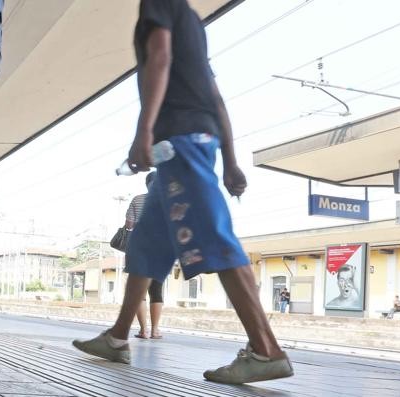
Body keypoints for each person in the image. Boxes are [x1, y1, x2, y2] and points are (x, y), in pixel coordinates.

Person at [73, 0, 293, 384]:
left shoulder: (159, 3)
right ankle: (118, 337)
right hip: (193, 142)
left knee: (216, 238)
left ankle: (266, 350)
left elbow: (159, 55)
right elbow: (215, 96)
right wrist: (230, 160)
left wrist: (143, 131)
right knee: (146, 245)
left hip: (180, 143)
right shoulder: (191, 19)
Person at [129, 172, 166, 340]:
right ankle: (156, 330)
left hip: (140, 248)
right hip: (161, 250)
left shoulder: (137, 200)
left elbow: (129, 224)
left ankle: (144, 330)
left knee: (139, 292)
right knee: (156, 291)